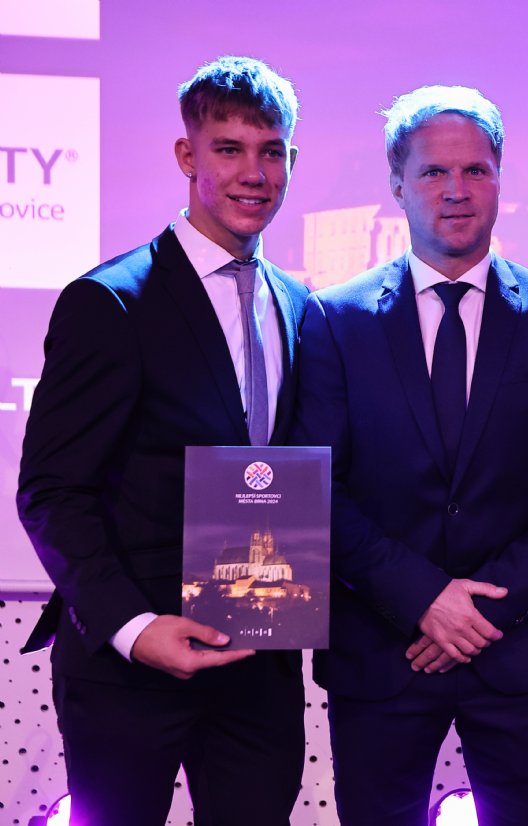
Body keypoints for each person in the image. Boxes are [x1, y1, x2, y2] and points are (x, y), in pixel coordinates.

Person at [292, 85, 528, 826]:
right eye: (435, 172)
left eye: (476, 170)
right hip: (383, 651)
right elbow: (316, 486)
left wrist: (477, 611)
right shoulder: (335, 319)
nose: (457, 189)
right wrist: (423, 600)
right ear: (398, 184)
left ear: (499, 178)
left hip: (518, 653)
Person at [16, 56, 309, 826]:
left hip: (259, 661)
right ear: (187, 155)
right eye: (228, 149)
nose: (254, 173)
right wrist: (136, 631)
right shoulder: (110, 301)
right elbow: (52, 492)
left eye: (271, 151)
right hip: (130, 666)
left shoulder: (299, 304)